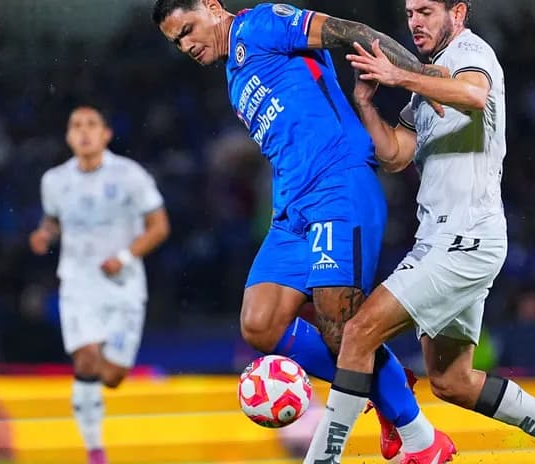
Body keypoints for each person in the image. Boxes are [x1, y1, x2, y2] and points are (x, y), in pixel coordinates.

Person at [302, 1, 535, 463]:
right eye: (409, 13)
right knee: (452, 381)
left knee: (358, 333)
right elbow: (395, 155)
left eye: (426, 11)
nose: (415, 22)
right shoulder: (427, 84)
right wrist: (366, 105)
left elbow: (473, 95)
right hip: (442, 240)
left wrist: (400, 75)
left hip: (464, 239)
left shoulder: (471, 53)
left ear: (457, 12)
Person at [151, 0, 449, 460]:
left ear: (212, 7)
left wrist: (422, 77)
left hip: (338, 188)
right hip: (291, 211)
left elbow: (350, 30)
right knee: (259, 324)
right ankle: (383, 381)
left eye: (188, 29)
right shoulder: (234, 77)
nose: (186, 45)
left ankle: (421, 439)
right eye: (176, 42)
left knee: (340, 330)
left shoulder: (263, 24)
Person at [29, 106, 171, 464]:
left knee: (112, 376)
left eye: (91, 124)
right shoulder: (54, 181)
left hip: (123, 284)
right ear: (68, 136)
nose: (84, 131)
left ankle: (97, 423)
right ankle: (94, 450)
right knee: (86, 358)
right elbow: (53, 220)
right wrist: (45, 234)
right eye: (76, 125)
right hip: (78, 282)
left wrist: (123, 257)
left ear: (106, 134)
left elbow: (159, 226)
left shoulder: (130, 175)